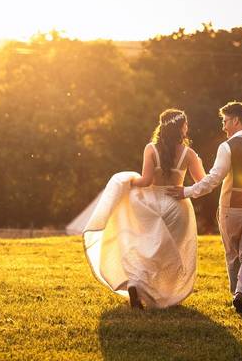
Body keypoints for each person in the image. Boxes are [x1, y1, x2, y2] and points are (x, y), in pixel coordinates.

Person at [166, 101, 242, 315]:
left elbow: (213, 179)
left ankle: (236, 295)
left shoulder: (227, 147)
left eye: (225, 121)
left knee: (233, 255)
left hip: (230, 211)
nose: (223, 126)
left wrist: (186, 191)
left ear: (236, 120)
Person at [81, 108, 207, 309]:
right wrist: (187, 189)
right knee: (170, 251)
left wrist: (129, 181)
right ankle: (162, 295)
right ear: (181, 127)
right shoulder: (189, 154)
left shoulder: (151, 149)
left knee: (148, 248)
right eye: (186, 124)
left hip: (151, 204)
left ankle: (136, 283)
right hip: (177, 205)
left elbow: (146, 180)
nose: (187, 128)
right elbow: (204, 182)